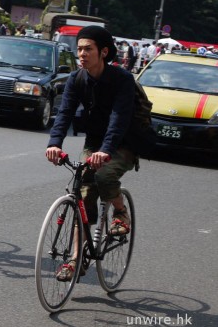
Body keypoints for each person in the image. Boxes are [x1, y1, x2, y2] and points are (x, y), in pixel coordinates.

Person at [45, 26, 136, 281]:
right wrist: (54, 144)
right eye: (80, 49)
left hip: (124, 143)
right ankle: (75, 259)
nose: (81, 54)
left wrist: (106, 151)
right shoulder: (77, 79)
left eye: (88, 49)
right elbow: (64, 113)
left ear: (103, 52)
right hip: (95, 141)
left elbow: (118, 119)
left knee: (104, 176)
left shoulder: (122, 80)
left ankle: (120, 212)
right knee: (82, 197)